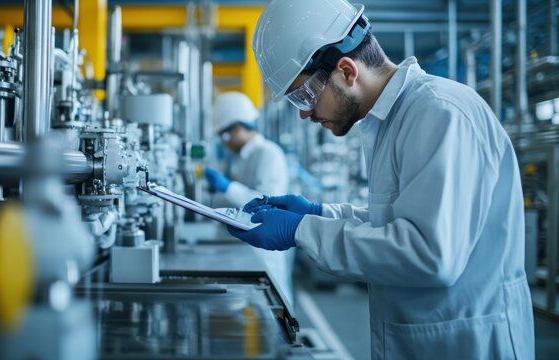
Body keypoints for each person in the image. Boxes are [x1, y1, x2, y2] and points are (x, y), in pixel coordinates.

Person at [228, 1, 535, 359]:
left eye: (306, 94)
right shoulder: (391, 119)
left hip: (472, 343)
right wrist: (319, 212)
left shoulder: (440, 112)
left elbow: (429, 254)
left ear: (346, 71)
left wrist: (302, 230)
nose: (305, 113)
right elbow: (397, 223)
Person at [205, 91, 294, 305]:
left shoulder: (268, 154)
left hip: (262, 254)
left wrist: (227, 187)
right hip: (245, 252)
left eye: (224, 136)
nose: (224, 143)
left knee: (271, 312)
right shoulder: (243, 157)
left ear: (236, 128)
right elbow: (235, 203)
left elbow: (266, 204)